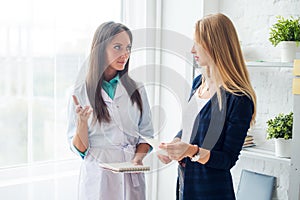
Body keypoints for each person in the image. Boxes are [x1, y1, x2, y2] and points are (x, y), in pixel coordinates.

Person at [158, 13, 257, 200]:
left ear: (215, 46)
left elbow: (227, 159)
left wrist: (191, 151)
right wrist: (174, 145)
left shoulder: (239, 98)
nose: (192, 49)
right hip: (185, 185)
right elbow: (188, 130)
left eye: (197, 43)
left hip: (212, 192)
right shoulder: (198, 83)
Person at [66, 22, 153, 200]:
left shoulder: (137, 89)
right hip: (99, 177)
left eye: (128, 47)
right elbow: (81, 149)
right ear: (100, 49)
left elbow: (146, 134)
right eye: (117, 47)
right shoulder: (79, 91)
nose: (125, 54)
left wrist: (136, 159)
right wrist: (82, 123)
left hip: (131, 174)